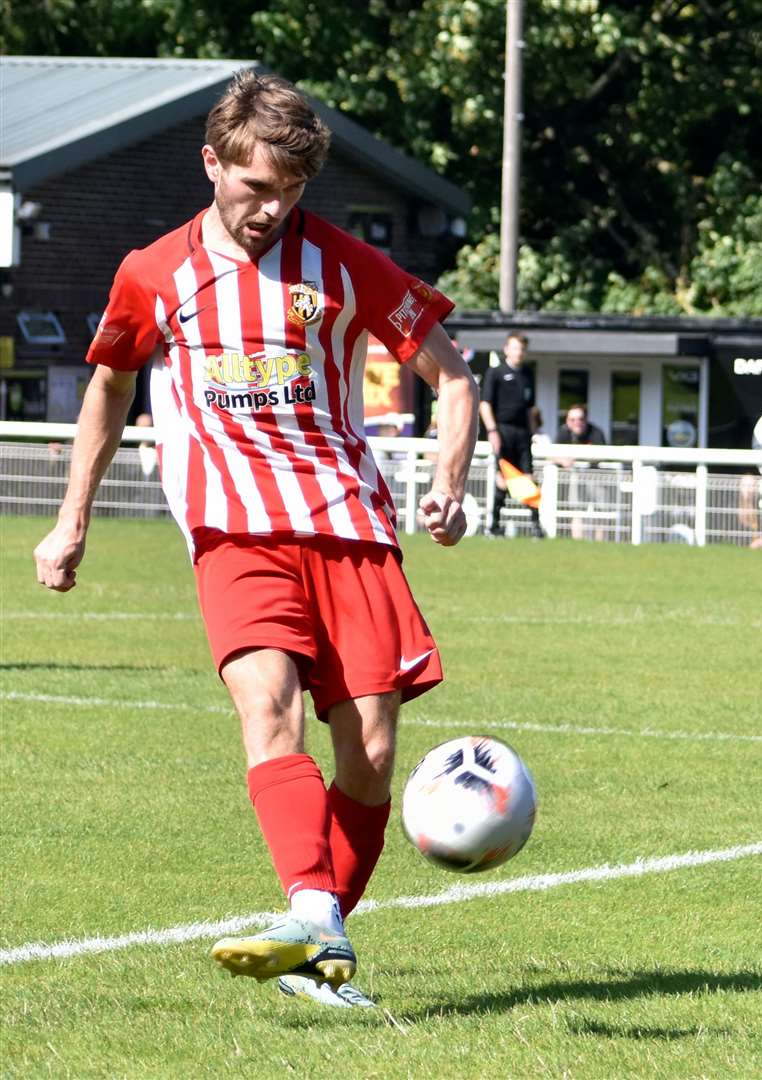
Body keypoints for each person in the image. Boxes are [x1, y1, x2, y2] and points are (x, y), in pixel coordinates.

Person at [31, 73, 477, 1009]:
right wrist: (72, 517)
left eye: (291, 191)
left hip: (347, 523)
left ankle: (323, 942)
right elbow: (108, 386)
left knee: (372, 753)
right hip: (232, 530)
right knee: (265, 707)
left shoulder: (348, 266)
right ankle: (312, 910)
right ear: (212, 163)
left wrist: (446, 482)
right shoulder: (153, 272)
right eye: (255, 186)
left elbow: (452, 372)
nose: (272, 208)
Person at [478, 331, 541, 534]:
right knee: (502, 478)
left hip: (522, 433)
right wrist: (492, 430)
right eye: (515, 348)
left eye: (522, 348)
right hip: (502, 430)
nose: (519, 352)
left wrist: (534, 433)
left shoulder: (528, 375)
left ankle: (536, 527)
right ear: (506, 349)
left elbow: (531, 408)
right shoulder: (495, 373)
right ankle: (494, 525)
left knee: (528, 476)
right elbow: (485, 404)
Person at [553, 403, 612, 539]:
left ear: (586, 419)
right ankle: (577, 542)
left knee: (600, 512)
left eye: (580, 419)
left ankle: (600, 544)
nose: (577, 423)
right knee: (577, 511)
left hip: (597, 477)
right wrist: (563, 460)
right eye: (572, 420)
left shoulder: (596, 432)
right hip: (575, 478)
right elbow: (551, 453)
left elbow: (602, 455)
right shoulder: (563, 432)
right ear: (567, 421)